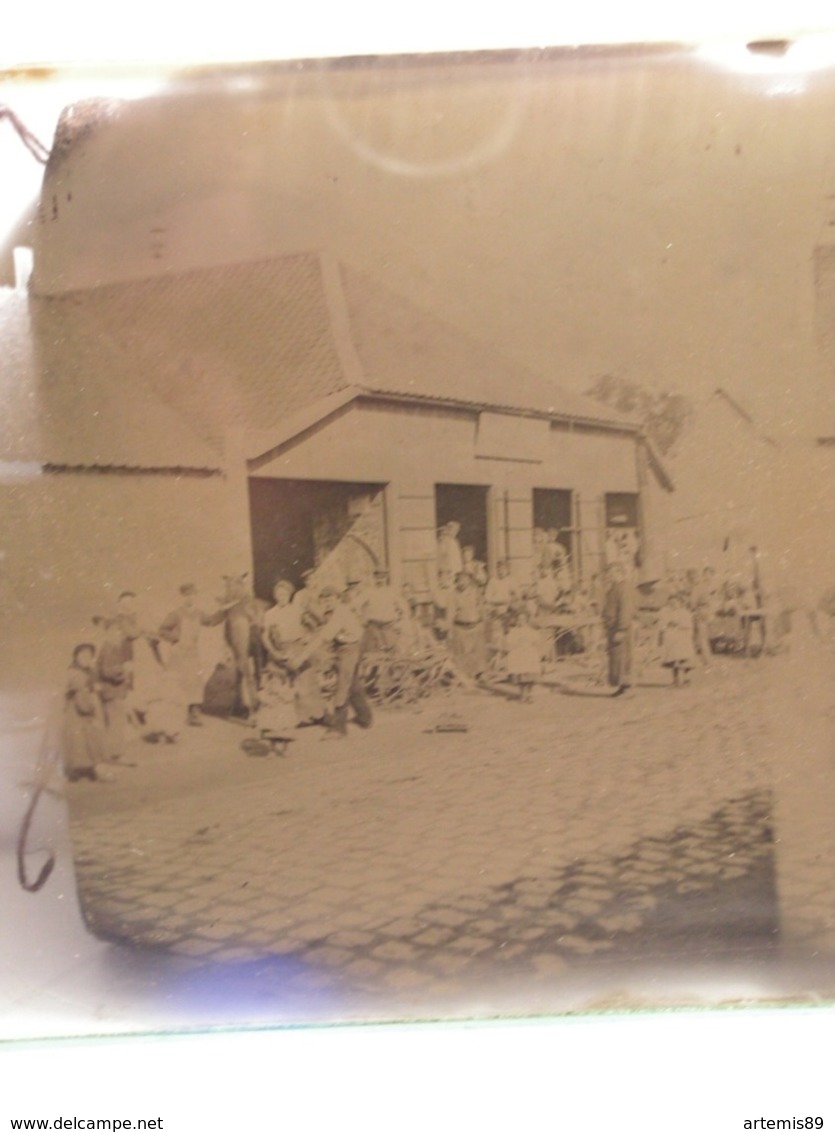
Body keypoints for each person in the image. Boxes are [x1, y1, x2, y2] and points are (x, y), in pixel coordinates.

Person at [291, 585, 372, 739]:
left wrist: (302, 657)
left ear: (337, 599)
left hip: (350, 648)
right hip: (344, 647)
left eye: (330, 599)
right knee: (352, 684)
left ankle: (338, 729)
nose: (327, 602)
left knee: (342, 685)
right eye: (324, 600)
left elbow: (323, 637)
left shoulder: (340, 613)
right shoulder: (332, 612)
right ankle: (365, 718)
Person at [261, 578, 326, 726]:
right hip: (280, 649)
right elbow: (265, 636)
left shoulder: (298, 611)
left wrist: (307, 639)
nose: (282, 597)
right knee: (281, 683)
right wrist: (272, 651)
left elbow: (315, 627)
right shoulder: (270, 614)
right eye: (279, 594)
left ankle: (314, 715)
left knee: (305, 680)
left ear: (290, 595)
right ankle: (289, 718)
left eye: (285, 594)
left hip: (297, 648)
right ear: (275, 596)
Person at [157, 583, 214, 726]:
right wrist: (174, 638)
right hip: (178, 653)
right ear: (183, 597)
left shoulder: (199, 613)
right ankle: (173, 715)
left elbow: (212, 620)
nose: (190, 598)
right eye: (187, 595)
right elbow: (162, 630)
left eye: (193, 595)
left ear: (196, 596)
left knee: (195, 682)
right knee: (176, 682)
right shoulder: (176, 613)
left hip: (192, 652)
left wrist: (226, 610)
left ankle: (193, 713)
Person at [61, 643, 108, 782]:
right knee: (89, 742)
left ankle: (76, 773)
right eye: (82, 656)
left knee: (79, 744)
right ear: (76, 657)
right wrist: (89, 710)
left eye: (89, 656)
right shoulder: (77, 674)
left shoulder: (83, 672)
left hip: (76, 713)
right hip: (79, 713)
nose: (86, 659)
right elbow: (81, 697)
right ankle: (96, 773)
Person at [601, 562, 635, 695]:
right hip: (612, 627)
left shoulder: (624, 588)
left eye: (612, 573)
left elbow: (625, 610)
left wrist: (622, 629)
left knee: (623, 658)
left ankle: (625, 688)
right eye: (609, 573)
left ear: (619, 573)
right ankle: (621, 688)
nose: (609, 576)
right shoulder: (613, 588)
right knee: (616, 658)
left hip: (620, 628)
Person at [449, 571, 488, 680]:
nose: (461, 583)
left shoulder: (475, 592)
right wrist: (450, 629)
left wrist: (483, 622)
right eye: (459, 581)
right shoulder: (453, 594)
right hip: (460, 626)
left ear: (469, 581)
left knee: (478, 651)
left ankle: (480, 674)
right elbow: (451, 612)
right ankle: (462, 675)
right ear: (456, 582)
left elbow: (481, 607)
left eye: (464, 580)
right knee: (461, 652)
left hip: (475, 625)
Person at [504, 608, 540, 702]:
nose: (521, 621)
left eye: (523, 619)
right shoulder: (513, 631)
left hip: (529, 653)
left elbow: (536, 642)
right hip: (518, 653)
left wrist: (533, 650)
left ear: (527, 620)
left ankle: (529, 694)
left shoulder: (531, 631)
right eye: (519, 619)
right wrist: (516, 645)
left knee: (530, 675)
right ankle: (522, 694)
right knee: (520, 676)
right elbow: (509, 642)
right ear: (516, 620)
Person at [661, 592, 696, 687]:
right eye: (670, 603)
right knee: (673, 662)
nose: (673, 605)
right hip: (672, 641)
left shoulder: (685, 613)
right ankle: (676, 680)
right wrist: (667, 625)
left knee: (682, 662)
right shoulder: (666, 613)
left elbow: (688, 626)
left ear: (680, 603)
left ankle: (683, 679)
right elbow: (662, 625)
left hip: (682, 641)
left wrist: (677, 624)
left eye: (675, 603)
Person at [362, 568, 401, 651]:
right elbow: (356, 605)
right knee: (375, 650)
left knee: (391, 648)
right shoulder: (369, 591)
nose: (380, 580)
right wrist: (363, 619)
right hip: (374, 626)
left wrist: (399, 621)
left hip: (389, 625)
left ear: (386, 578)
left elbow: (402, 607)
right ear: (374, 578)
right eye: (378, 577)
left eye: (382, 577)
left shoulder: (392, 591)